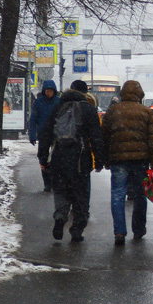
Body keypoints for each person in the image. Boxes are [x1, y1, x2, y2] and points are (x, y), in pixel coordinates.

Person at [37, 80, 106, 243]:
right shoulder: (88, 110)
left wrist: (42, 157)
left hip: (59, 158)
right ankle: (76, 230)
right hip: (80, 160)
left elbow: (46, 133)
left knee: (61, 191)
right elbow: (96, 137)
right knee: (81, 195)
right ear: (85, 93)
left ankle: (60, 217)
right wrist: (99, 161)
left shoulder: (58, 107)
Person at [101, 80, 153, 244]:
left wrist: (105, 159)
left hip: (118, 160)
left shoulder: (113, 112)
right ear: (139, 95)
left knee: (118, 195)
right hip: (140, 160)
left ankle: (119, 232)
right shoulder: (146, 112)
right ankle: (139, 229)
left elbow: (104, 138)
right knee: (140, 196)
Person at [28, 80, 63, 191]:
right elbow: (33, 119)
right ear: (44, 91)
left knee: (55, 157)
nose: (49, 93)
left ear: (54, 91)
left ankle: (54, 180)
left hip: (56, 134)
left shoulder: (58, 101)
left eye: (51, 91)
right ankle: (47, 182)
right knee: (43, 157)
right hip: (43, 134)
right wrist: (32, 134)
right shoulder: (39, 102)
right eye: (47, 91)